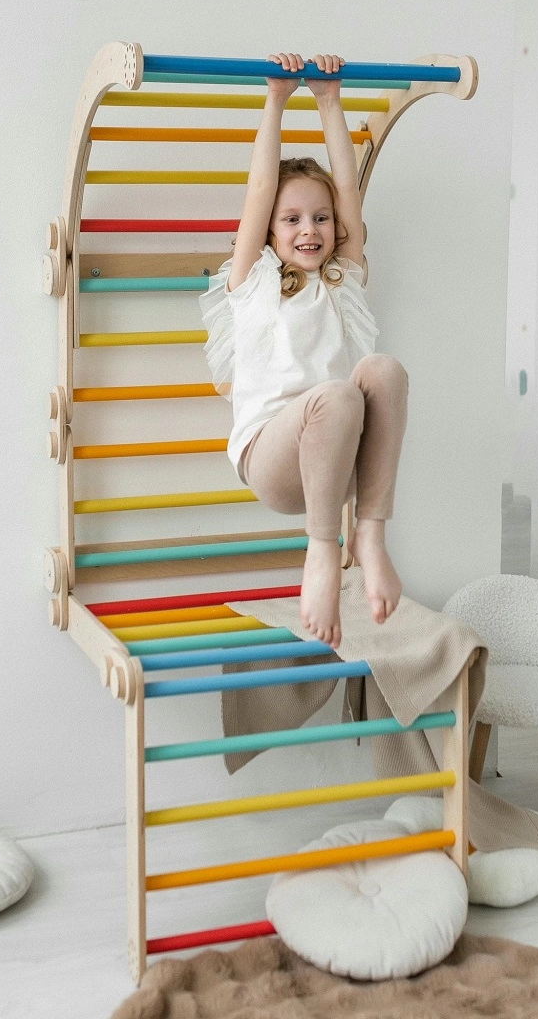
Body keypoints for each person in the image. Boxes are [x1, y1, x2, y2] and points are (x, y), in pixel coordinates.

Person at [200, 52, 408, 650]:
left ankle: (370, 533)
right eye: (291, 219)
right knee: (337, 394)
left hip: (337, 465)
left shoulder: (343, 281)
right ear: (269, 230)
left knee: (383, 370)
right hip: (274, 460)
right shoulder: (253, 283)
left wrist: (329, 101)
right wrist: (276, 99)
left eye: (320, 218)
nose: (309, 229)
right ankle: (321, 552)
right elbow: (260, 189)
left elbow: (348, 189)